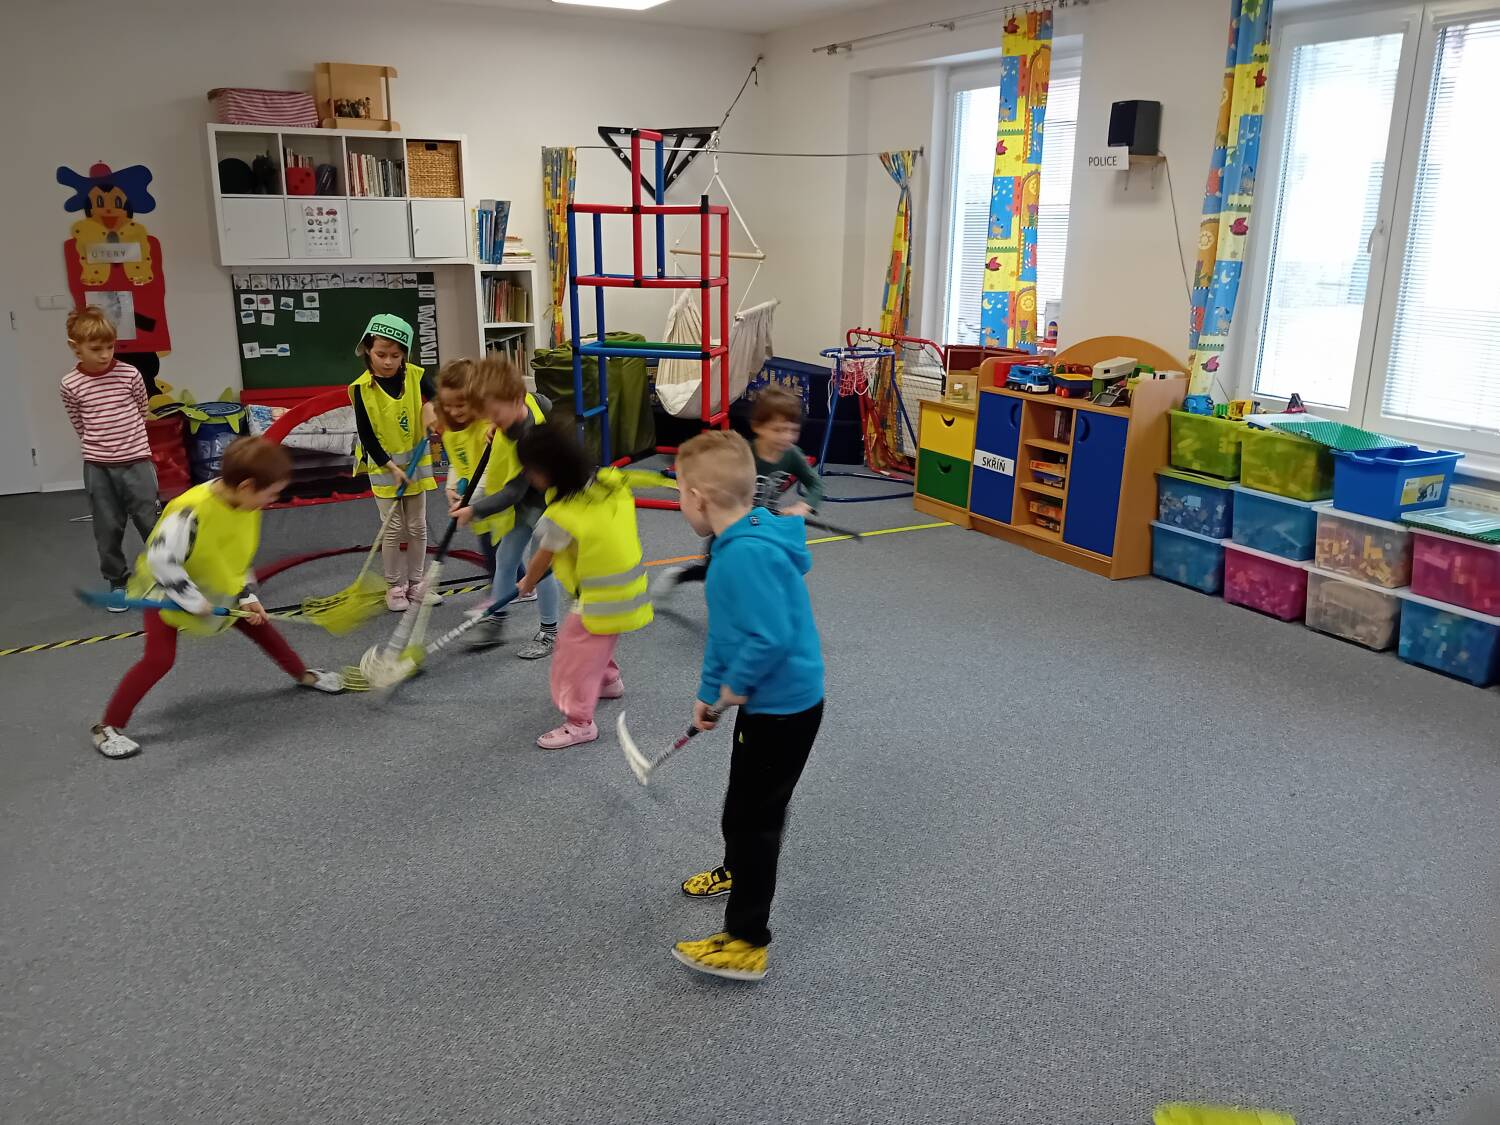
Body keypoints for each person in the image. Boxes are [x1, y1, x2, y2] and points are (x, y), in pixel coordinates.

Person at [669, 429, 825, 982]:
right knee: (740, 806)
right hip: (767, 703)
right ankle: (735, 871)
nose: (679, 502)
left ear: (699, 498)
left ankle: (746, 942)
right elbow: (726, 631)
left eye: (680, 492)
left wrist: (735, 685)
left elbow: (768, 637)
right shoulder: (736, 540)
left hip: (785, 710)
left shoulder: (744, 557)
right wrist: (708, 691)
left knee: (758, 822)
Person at [92, 437, 344, 760]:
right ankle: (107, 726)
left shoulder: (245, 504)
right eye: (270, 493)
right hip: (167, 590)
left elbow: (235, 555)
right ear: (247, 486)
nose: (273, 500)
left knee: (261, 627)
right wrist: (192, 601)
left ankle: (302, 674)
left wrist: (246, 595)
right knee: (159, 659)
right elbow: (161, 561)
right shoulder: (189, 511)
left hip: (216, 585)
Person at [513, 425, 670, 748]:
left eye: (529, 470)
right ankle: (608, 680)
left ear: (547, 471)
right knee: (597, 640)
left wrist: (527, 582)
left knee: (573, 652)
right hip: (627, 590)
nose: (527, 476)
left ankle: (580, 723)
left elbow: (544, 555)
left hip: (600, 598)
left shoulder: (562, 514)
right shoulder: (606, 481)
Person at [656, 386, 825, 594]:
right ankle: (678, 576)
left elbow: (816, 485)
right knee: (714, 570)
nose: (786, 437)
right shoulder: (743, 454)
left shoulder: (792, 455)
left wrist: (805, 505)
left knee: (762, 569)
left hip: (764, 526)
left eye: (793, 430)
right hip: (730, 524)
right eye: (778, 430)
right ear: (758, 426)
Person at [450, 357, 559, 659]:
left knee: (541, 568)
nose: (492, 422)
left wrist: (473, 510)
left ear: (515, 400)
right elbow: (544, 400)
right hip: (527, 503)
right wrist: (498, 424)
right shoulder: (526, 402)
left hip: (550, 505)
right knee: (505, 557)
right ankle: (496, 620)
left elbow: (513, 491)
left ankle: (549, 632)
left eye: (495, 415)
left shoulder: (529, 438)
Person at [59, 305, 159, 610]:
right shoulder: (70, 384)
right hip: (99, 467)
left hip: (137, 461)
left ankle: (167, 578)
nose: (104, 355)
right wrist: (102, 448)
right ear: (75, 347)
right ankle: (118, 582)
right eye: (96, 349)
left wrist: (128, 444)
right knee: (108, 529)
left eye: (110, 347)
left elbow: (141, 408)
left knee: (151, 523)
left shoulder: (130, 374)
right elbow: (79, 423)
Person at [348, 314, 438, 612]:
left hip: (415, 465)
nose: (388, 361)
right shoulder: (361, 388)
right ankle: (394, 587)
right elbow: (367, 436)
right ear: (367, 350)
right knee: (394, 527)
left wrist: (432, 408)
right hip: (384, 467)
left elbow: (439, 400)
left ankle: (417, 584)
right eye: (381, 354)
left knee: (417, 526)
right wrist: (392, 468)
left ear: (405, 355)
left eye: (396, 356)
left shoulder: (416, 375)